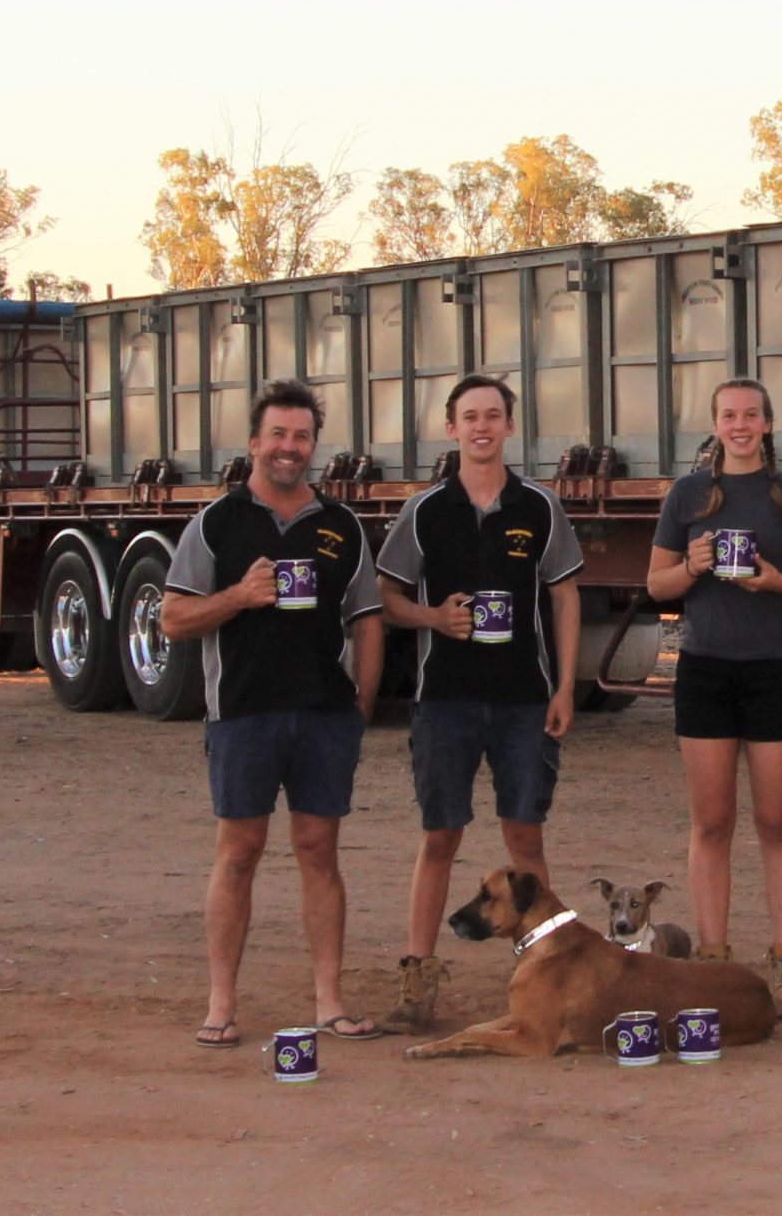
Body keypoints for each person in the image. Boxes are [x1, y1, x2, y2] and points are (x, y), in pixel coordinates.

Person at [164, 378, 387, 1049]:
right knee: (239, 852)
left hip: (323, 716)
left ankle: (329, 1000)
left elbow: (368, 619)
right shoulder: (217, 523)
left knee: (320, 851)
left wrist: (361, 706)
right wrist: (238, 594)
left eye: (302, 436)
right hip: (243, 714)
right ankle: (221, 1004)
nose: (289, 448)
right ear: (254, 442)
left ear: (314, 446)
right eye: (278, 435)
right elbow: (174, 616)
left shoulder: (340, 525)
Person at [372, 374, 582, 1035]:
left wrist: (566, 685)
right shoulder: (424, 510)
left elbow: (566, 598)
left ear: (510, 427)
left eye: (493, 415)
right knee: (441, 836)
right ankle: (418, 971)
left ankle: (548, 971)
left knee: (526, 838)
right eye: (470, 416)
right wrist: (434, 616)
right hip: (447, 701)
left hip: (524, 700)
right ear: (451, 427)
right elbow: (387, 596)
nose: (482, 426)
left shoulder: (540, 507)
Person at [643, 377, 782, 1018]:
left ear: (769, 423)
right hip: (704, 670)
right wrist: (694, 565)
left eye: (752, 414)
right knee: (712, 823)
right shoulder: (688, 494)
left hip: (774, 669)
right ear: (716, 424)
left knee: (778, 823)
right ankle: (715, 965)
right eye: (729, 415)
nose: (741, 424)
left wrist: (779, 582)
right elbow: (656, 584)